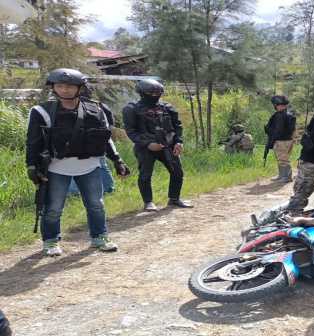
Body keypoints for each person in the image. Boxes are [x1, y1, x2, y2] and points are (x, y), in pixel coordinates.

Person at [25, 68, 130, 256]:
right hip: (57, 168)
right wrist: (31, 166)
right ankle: (50, 241)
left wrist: (117, 160)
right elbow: (33, 141)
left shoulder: (96, 109)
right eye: (60, 86)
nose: (65, 90)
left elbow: (105, 138)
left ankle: (99, 237)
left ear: (79, 88)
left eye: (70, 86)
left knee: (96, 204)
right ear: (54, 88)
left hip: (89, 166)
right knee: (53, 208)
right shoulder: (41, 111)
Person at [123, 79, 193, 211]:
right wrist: (148, 144)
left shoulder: (167, 107)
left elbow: (177, 126)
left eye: (158, 92)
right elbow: (131, 132)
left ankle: (174, 199)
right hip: (146, 148)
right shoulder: (131, 109)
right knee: (145, 174)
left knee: (177, 172)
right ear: (142, 93)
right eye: (152, 92)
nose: (155, 95)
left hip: (168, 145)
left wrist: (179, 141)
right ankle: (148, 202)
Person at [264, 95, 297, 182]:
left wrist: (272, 140)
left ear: (278, 105)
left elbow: (277, 130)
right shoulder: (290, 114)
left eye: (275, 105)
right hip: (288, 140)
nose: (275, 106)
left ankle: (286, 177)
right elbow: (292, 130)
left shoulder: (279, 115)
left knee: (283, 159)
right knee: (282, 158)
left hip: (280, 141)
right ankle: (281, 176)